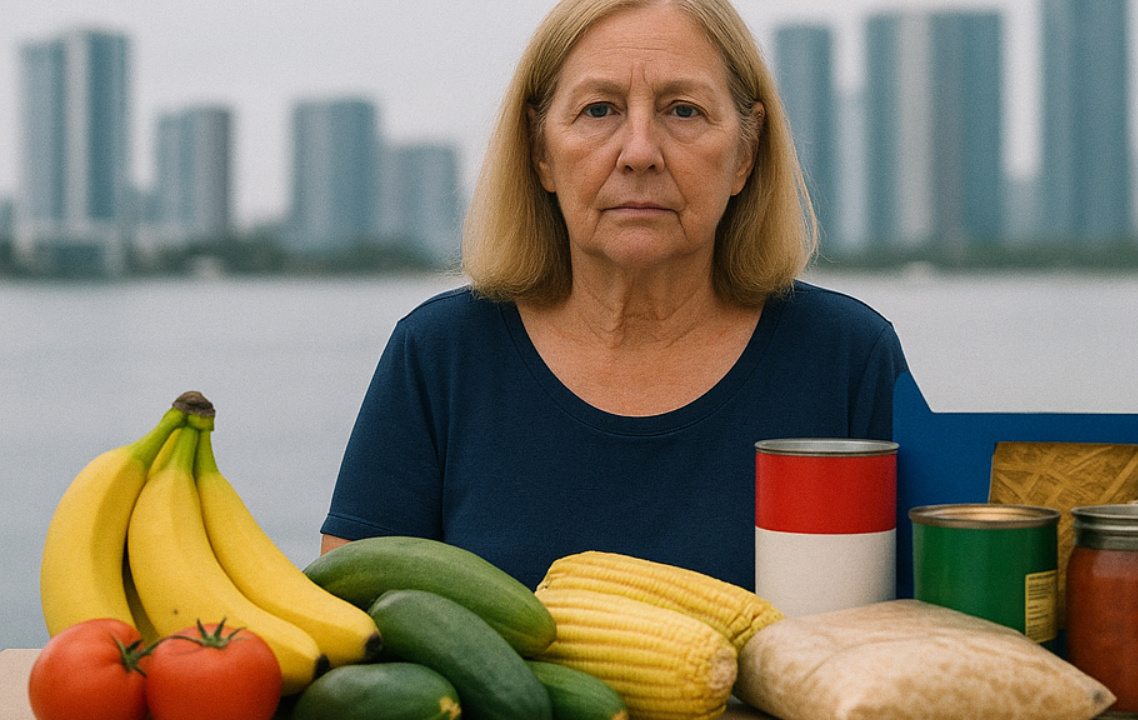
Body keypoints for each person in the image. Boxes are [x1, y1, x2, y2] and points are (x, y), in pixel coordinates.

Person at [320, 0, 909, 592]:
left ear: (745, 155)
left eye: (684, 110)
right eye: (598, 110)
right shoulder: (439, 356)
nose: (639, 152)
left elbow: (923, 631)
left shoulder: (846, 359)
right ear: (541, 152)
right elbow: (353, 632)